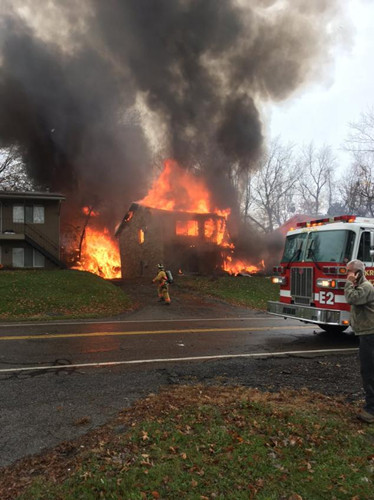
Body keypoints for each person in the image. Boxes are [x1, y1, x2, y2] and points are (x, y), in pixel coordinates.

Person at [344, 259, 374, 423]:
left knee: (369, 371)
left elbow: (352, 299)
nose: (347, 274)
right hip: (366, 333)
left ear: (358, 273)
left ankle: (371, 410)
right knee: (368, 370)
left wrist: (349, 284)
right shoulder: (360, 286)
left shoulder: (366, 288)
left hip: (370, 334)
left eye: (349, 271)